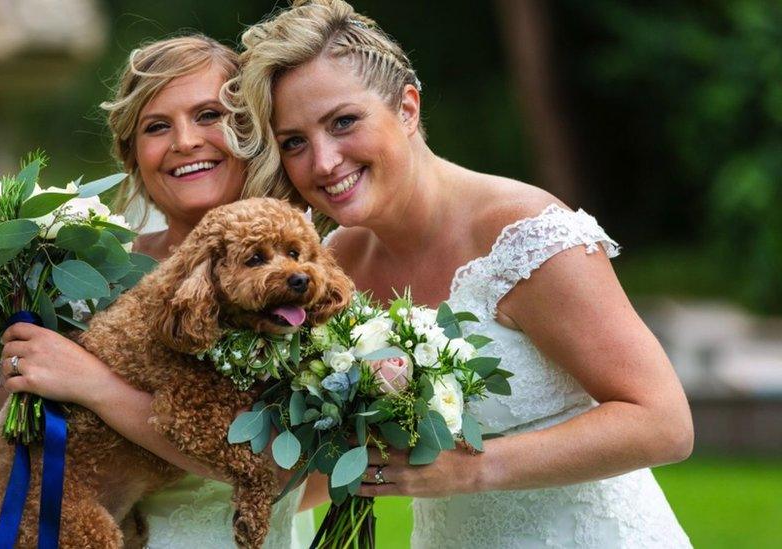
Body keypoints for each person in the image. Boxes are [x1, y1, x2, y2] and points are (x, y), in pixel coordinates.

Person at [228, 1, 694, 546]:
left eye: (344, 122)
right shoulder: (337, 264)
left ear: (406, 108)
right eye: (294, 143)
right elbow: (322, 464)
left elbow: (663, 424)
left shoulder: (525, 236)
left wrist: (474, 468)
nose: (324, 161)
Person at [0, 34, 321, 548]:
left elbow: (292, 468)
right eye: (156, 126)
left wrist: (92, 385)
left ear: (251, 130)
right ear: (131, 154)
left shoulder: (304, 274)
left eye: (209, 114)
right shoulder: (75, 272)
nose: (185, 141)